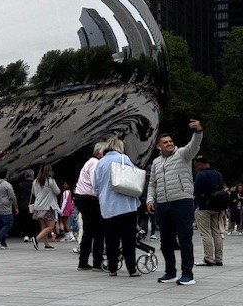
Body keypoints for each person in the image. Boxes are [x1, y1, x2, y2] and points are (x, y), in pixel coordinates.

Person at [147, 119, 203, 285]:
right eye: (165, 142)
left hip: (182, 201)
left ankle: (187, 274)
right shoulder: (156, 162)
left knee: (185, 238)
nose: (169, 144)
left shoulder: (183, 154)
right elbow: (152, 183)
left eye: (170, 141)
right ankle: (170, 272)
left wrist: (198, 131)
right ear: (159, 147)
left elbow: (194, 146)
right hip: (163, 204)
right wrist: (150, 199)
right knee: (165, 241)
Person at [93, 137, 141, 277]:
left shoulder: (100, 163)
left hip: (108, 207)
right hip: (126, 205)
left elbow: (95, 188)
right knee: (128, 239)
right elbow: (134, 178)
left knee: (111, 239)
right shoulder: (123, 159)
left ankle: (112, 268)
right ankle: (132, 269)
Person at [73, 143, 105, 271]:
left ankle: (83, 261)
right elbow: (95, 182)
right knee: (99, 231)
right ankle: (97, 262)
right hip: (90, 199)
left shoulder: (89, 162)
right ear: (99, 153)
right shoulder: (95, 163)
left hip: (82, 197)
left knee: (88, 231)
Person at [193, 155, 224, 266]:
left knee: (205, 233)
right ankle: (219, 258)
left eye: (197, 166)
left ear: (201, 164)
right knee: (216, 232)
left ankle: (208, 258)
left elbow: (196, 190)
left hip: (203, 206)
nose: (196, 168)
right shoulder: (218, 174)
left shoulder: (201, 175)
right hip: (217, 206)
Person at [32, 163, 61, 250]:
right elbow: (57, 191)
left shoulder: (35, 181)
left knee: (43, 226)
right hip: (48, 206)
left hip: (38, 207)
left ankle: (46, 243)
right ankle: (36, 238)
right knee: (50, 227)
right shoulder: (50, 181)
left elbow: (33, 193)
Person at [0, 167, 19, 249]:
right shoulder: (7, 185)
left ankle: (2, 243)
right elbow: (12, 197)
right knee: (8, 224)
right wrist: (16, 207)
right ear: (6, 175)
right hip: (5, 208)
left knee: (1, 225)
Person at [18, 170, 38, 243]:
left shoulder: (21, 184)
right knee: (33, 221)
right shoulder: (35, 184)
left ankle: (26, 235)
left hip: (24, 204)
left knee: (25, 220)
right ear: (33, 175)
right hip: (33, 204)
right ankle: (32, 235)